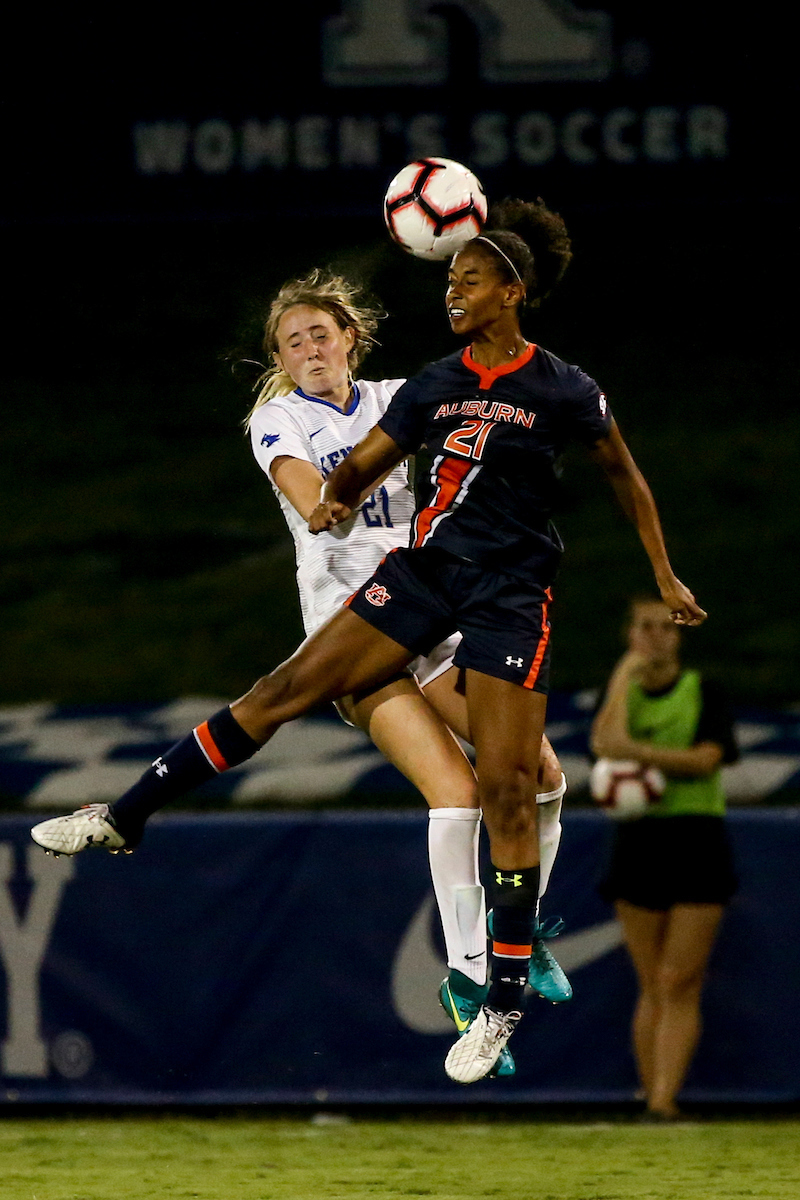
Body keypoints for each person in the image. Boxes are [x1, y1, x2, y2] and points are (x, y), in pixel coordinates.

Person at [32, 196, 706, 1085]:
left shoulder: (435, 387)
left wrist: (661, 570)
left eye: (321, 333)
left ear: (354, 338)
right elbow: (321, 483)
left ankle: (511, 944)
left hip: (459, 605)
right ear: (277, 362)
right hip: (372, 611)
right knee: (447, 787)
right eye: (290, 342)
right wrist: (328, 497)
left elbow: (573, 452)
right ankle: (479, 977)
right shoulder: (282, 419)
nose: (307, 350)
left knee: (537, 779)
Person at [591, 595, 738, 1120]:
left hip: (696, 840)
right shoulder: (622, 694)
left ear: (678, 636)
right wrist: (622, 676)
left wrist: (639, 755)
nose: (655, 637)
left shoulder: (704, 690)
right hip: (638, 843)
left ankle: (662, 1099)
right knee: (652, 980)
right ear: (630, 634)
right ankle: (650, 1096)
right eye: (644, 627)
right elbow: (604, 742)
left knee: (679, 978)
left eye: (664, 628)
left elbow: (707, 760)